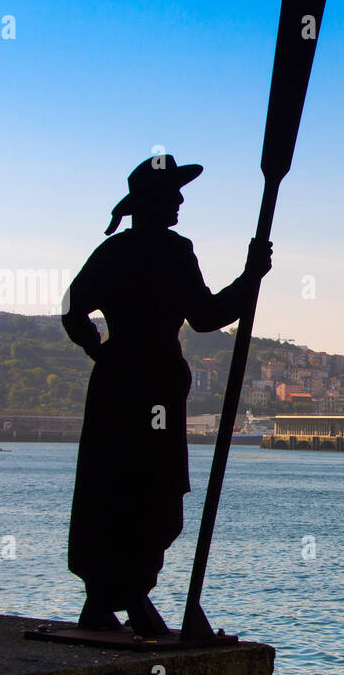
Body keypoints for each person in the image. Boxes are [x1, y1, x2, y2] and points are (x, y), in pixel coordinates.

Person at [62, 155, 272, 634]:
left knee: (111, 488)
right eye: (173, 193)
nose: (180, 200)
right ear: (151, 201)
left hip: (116, 385)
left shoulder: (111, 253)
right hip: (153, 384)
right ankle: (130, 599)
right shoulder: (175, 251)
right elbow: (206, 315)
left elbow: (72, 309)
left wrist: (100, 352)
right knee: (150, 491)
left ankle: (106, 601)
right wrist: (251, 277)